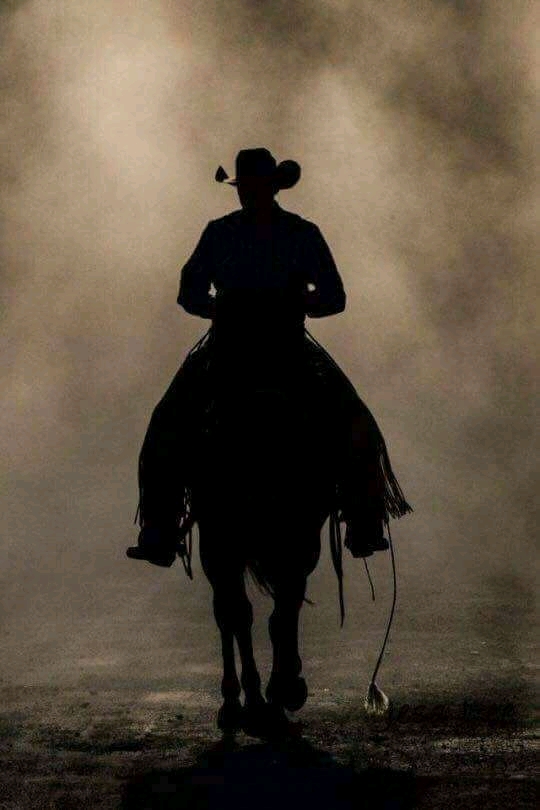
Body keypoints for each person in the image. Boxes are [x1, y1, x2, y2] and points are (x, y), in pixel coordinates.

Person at [127, 148, 411, 568]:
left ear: (269, 188)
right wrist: (288, 302)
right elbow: (330, 297)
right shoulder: (292, 233)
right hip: (273, 350)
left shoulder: (238, 233)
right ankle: (363, 519)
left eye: (251, 187)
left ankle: (160, 530)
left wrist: (225, 307)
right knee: (354, 424)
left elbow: (332, 297)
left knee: (167, 424)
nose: (247, 194)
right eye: (245, 187)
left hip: (245, 351)